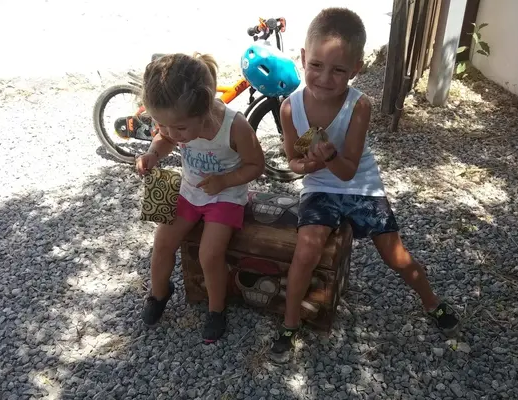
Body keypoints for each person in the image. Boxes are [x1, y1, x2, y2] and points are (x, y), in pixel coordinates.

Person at [270, 8, 460, 362]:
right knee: (306, 253)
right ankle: (290, 324)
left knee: (394, 255)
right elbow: (293, 161)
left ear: (356, 69)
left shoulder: (359, 105)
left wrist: (327, 156)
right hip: (319, 185)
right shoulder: (289, 109)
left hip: (360, 182)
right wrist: (309, 164)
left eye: (338, 70)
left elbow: (347, 171)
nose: (324, 78)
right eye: (316, 65)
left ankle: (432, 302)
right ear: (303, 58)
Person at [135, 53, 265, 343]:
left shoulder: (234, 126)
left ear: (205, 109)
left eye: (180, 128)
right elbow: (164, 140)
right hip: (189, 191)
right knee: (162, 242)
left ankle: (216, 309)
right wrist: (152, 154)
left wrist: (225, 181)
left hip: (225, 196)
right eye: (162, 124)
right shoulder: (175, 121)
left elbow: (256, 164)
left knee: (210, 254)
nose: (173, 133)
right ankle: (159, 293)